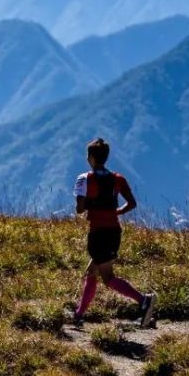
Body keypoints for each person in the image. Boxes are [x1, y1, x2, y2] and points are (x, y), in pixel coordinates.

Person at [71, 137, 155, 328]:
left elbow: (80, 209)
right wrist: (116, 211)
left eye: (87, 155)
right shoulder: (118, 179)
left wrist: (86, 200)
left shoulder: (84, 179)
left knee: (108, 277)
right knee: (91, 272)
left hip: (97, 233)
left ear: (91, 157)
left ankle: (144, 300)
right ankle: (79, 314)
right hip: (114, 232)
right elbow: (132, 203)